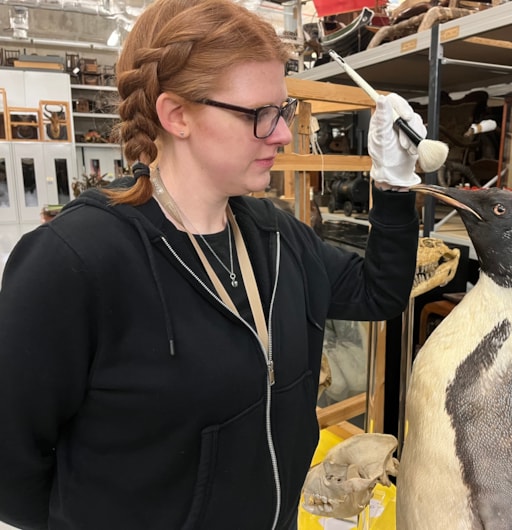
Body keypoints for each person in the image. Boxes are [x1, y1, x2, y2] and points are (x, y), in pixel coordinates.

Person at [0, 0, 425, 528]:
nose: (282, 134)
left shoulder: (277, 238)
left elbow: (378, 293)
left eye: (283, 110)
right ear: (177, 115)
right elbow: (12, 471)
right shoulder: (75, 262)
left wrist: (394, 186)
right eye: (259, 115)